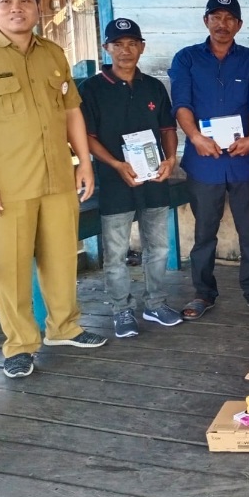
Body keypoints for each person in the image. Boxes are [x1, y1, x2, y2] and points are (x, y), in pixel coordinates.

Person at [0, 0, 106, 378]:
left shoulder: (53, 54)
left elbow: (72, 110)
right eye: (6, 2)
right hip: (6, 184)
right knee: (10, 266)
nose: (16, 9)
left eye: (24, 1)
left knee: (60, 257)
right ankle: (19, 344)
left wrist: (84, 161)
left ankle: (63, 326)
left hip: (57, 177)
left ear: (37, 7)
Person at [168, 0, 249, 319]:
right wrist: (194, 137)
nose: (222, 24)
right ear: (206, 21)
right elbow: (181, 104)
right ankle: (203, 294)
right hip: (203, 162)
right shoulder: (186, 59)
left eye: (229, 18)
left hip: (243, 159)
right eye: (216, 17)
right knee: (204, 233)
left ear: (239, 24)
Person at [80, 18, 184, 338]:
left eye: (131, 44)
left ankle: (154, 302)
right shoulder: (92, 89)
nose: (125, 51)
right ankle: (121, 309)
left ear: (142, 47)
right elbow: (87, 136)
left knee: (159, 247)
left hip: (154, 180)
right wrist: (115, 164)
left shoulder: (153, 87)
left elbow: (168, 129)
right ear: (106, 48)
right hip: (115, 181)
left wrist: (170, 159)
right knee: (116, 252)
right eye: (118, 44)